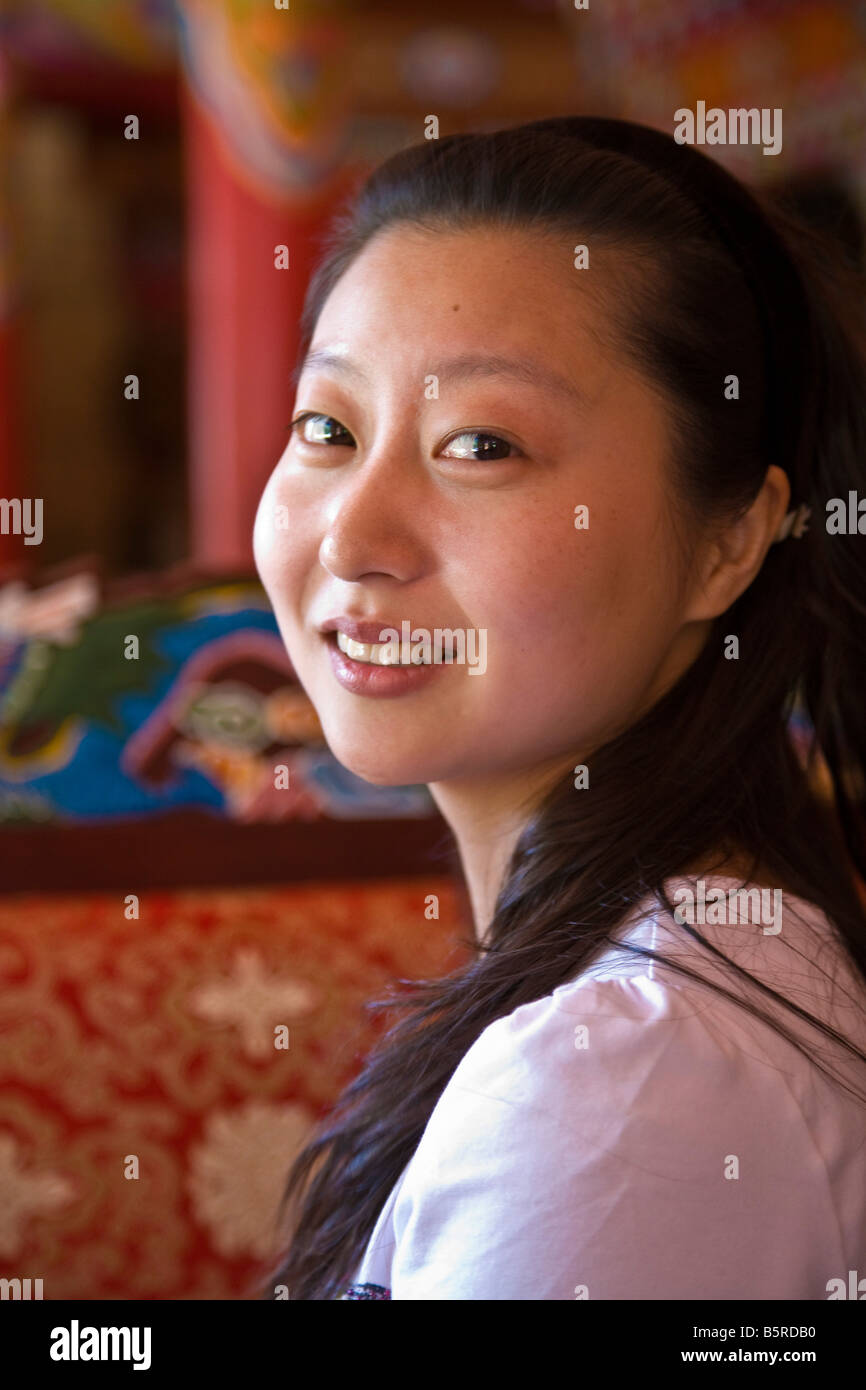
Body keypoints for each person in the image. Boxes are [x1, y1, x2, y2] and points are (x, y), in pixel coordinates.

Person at [252, 116, 866, 1300]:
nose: (351, 535)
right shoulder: (677, 985)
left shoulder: (626, 1078)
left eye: (480, 445)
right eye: (327, 429)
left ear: (725, 540)